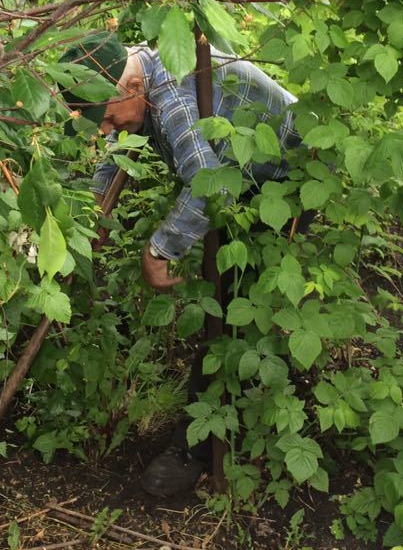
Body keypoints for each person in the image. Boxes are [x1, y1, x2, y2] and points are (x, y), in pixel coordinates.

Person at [59, 31, 309, 496]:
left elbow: (213, 184)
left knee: (234, 308)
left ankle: (200, 450)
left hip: (289, 179)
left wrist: (160, 250)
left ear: (131, 89)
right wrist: (94, 211)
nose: (106, 130)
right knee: (227, 300)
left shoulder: (171, 93)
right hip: (241, 171)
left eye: (109, 116)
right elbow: (119, 151)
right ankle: (249, 397)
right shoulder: (139, 82)